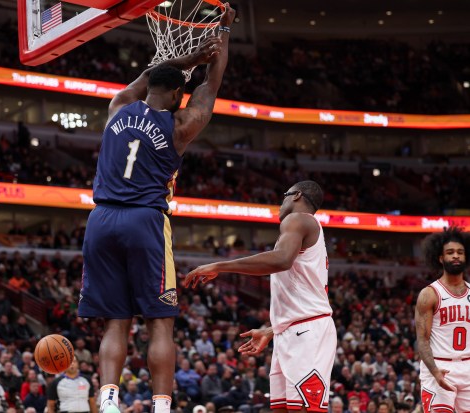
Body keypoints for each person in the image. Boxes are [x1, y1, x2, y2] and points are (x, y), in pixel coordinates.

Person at [77, 4, 235, 413]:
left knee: (116, 321)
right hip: (144, 221)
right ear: (178, 95)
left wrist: (183, 61)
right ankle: (162, 406)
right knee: (159, 321)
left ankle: (108, 400)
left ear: (148, 87)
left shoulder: (117, 107)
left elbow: (147, 78)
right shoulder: (180, 126)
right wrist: (222, 38)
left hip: (101, 221)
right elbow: (210, 89)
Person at [184, 180, 336, 413]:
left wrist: (219, 265)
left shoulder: (298, 219)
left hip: (308, 332)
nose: (280, 203)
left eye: (284, 196)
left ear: (296, 196)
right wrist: (272, 330)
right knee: (281, 409)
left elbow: (281, 260)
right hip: (292, 330)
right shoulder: (299, 228)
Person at [415, 227, 470, 413]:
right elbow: (422, 340)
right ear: (440, 258)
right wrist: (434, 370)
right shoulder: (429, 294)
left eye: (460, 253)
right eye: (450, 252)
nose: (456, 256)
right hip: (439, 365)